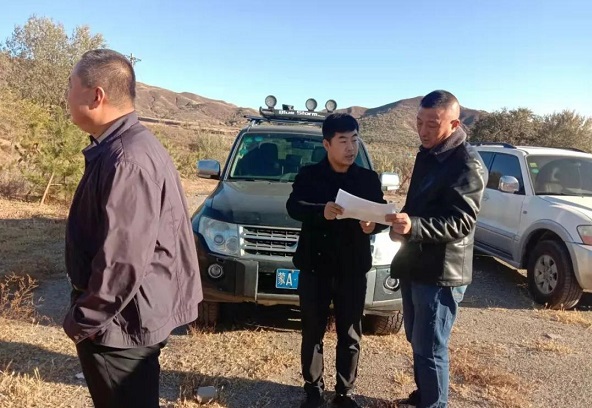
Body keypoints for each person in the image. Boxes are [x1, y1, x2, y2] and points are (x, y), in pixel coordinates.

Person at [63, 49, 203, 408]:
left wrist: (83, 320)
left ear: (96, 96)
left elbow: (122, 260)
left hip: (119, 324)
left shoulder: (127, 159)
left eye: (70, 85)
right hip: (123, 318)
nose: (65, 95)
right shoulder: (124, 147)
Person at [385, 90, 487, 408]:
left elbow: (461, 223)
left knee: (431, 346)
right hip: (416, 262)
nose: (423, 130)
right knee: (417, 338)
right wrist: (398, 222)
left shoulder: (467, 163)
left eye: (432, 124)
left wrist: (414, 227)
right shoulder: (428, 154)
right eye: (419, 122)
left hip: (442, 272)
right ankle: (424, 396)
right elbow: (419, 207)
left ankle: (434, 404)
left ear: (454, 123)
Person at [286, 113, 387, 408]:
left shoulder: (367, 179)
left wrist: (373, 225)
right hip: (315, 268)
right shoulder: (309, 175)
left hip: (352, 269)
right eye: (343, 141)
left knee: (350, 333)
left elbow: (381, 213)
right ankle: (313, 390)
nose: (350, 147)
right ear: (327, 144)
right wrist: (321, 211)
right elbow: (294, 206)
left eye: (354, 140)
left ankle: (345, 392)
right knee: (312, 332)